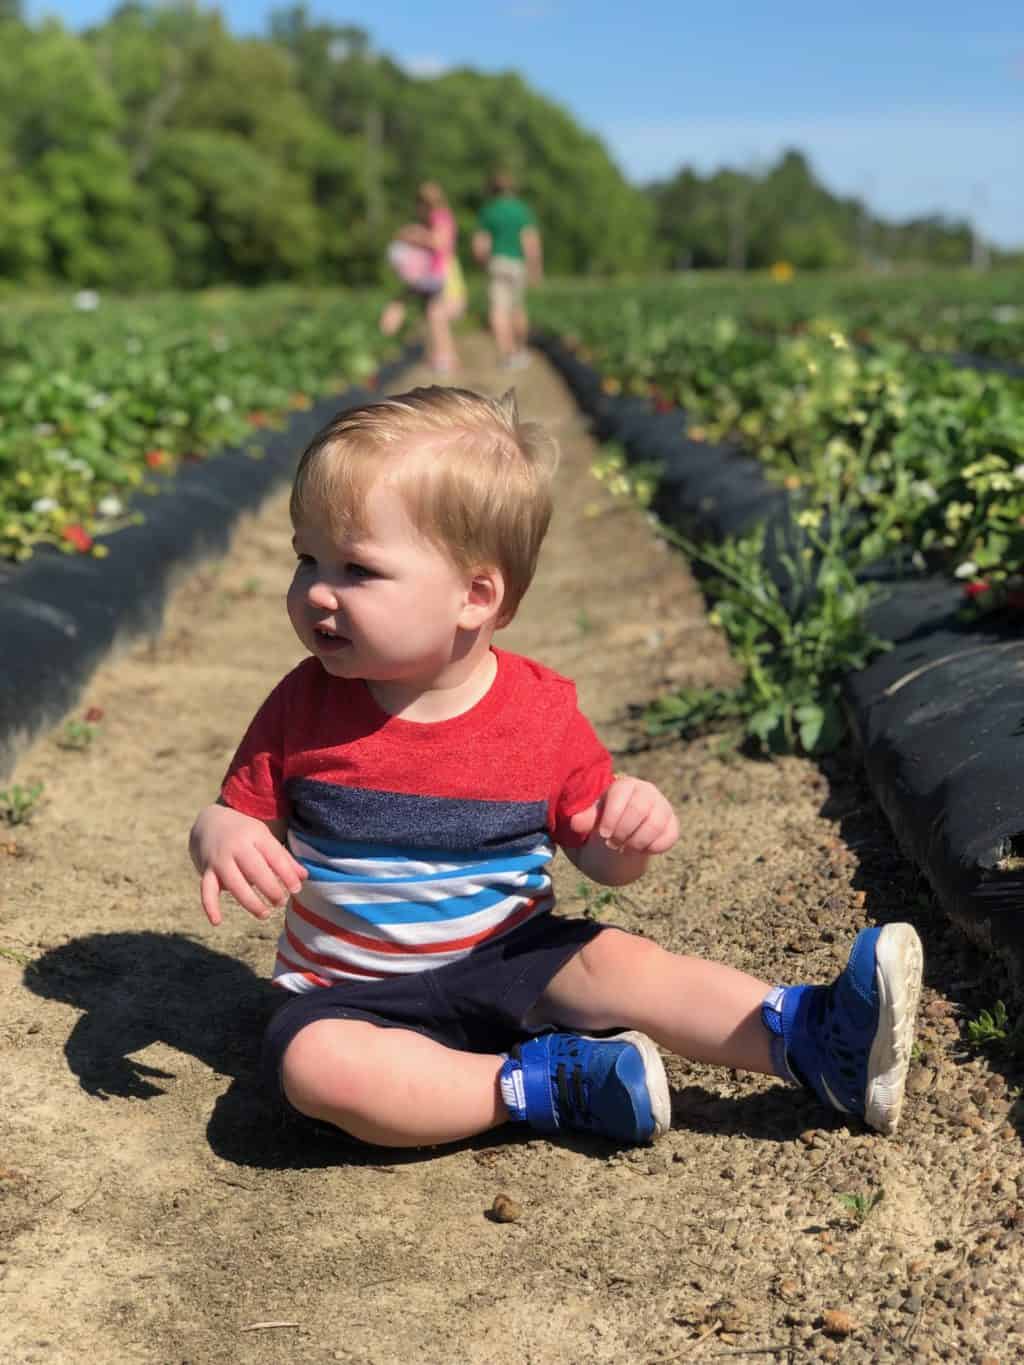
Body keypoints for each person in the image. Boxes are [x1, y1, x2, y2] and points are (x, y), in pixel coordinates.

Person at [188, 386, 924, 1151]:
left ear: (475, 595)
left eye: (356, 569)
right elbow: (238, 811)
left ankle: (812, 1036)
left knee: (622, 964)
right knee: (317, 1070)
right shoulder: (301, 705)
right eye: (306, 558)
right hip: (351, 996)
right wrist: (220, 834)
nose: (316, 592)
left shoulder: (539, 714)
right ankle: (535, 1086)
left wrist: (627, 834)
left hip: (506, 955)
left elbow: (599, 858)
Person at [379, 182, 460, 375]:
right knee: (433, 315)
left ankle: (446, 358)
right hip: (434, 273)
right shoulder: (436, 218)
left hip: (440, 273)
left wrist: (412, 236)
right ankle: (445, 356)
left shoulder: (439, 217)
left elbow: (440, 243)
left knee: (433, 314)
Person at [473, 171, 542, 369]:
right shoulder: (522, 210)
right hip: (517, 264)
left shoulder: (488, 211)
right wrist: (535, 267)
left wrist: (483, 263)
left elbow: (480, 244)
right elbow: (530, 241)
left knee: (498, 311)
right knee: (517, 308)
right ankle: (520, 350)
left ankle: (506, 354)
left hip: (496, 262)